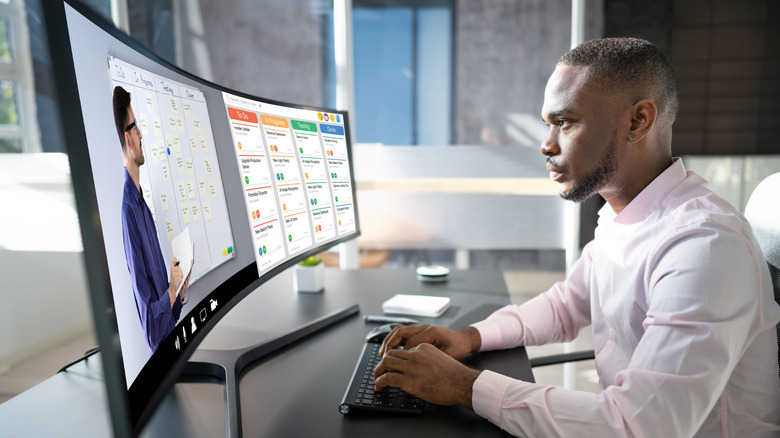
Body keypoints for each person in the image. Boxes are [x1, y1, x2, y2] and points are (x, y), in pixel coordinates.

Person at [373, 38, 780, 437]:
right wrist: (468, 337)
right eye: (548, 124)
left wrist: (463, 385)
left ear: (638, 121)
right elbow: (565, 305)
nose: (546, 145)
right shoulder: (625, 216)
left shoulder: (703, 246)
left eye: (565, 122)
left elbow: (638, 426)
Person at [113, 86, 189, 355]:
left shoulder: (143, 207)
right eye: (136, 128)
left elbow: (167, 315)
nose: (141, 135)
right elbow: (151, 329)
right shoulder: (129, 213)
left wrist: (177, 292)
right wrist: (171, 290)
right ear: (128, 139)